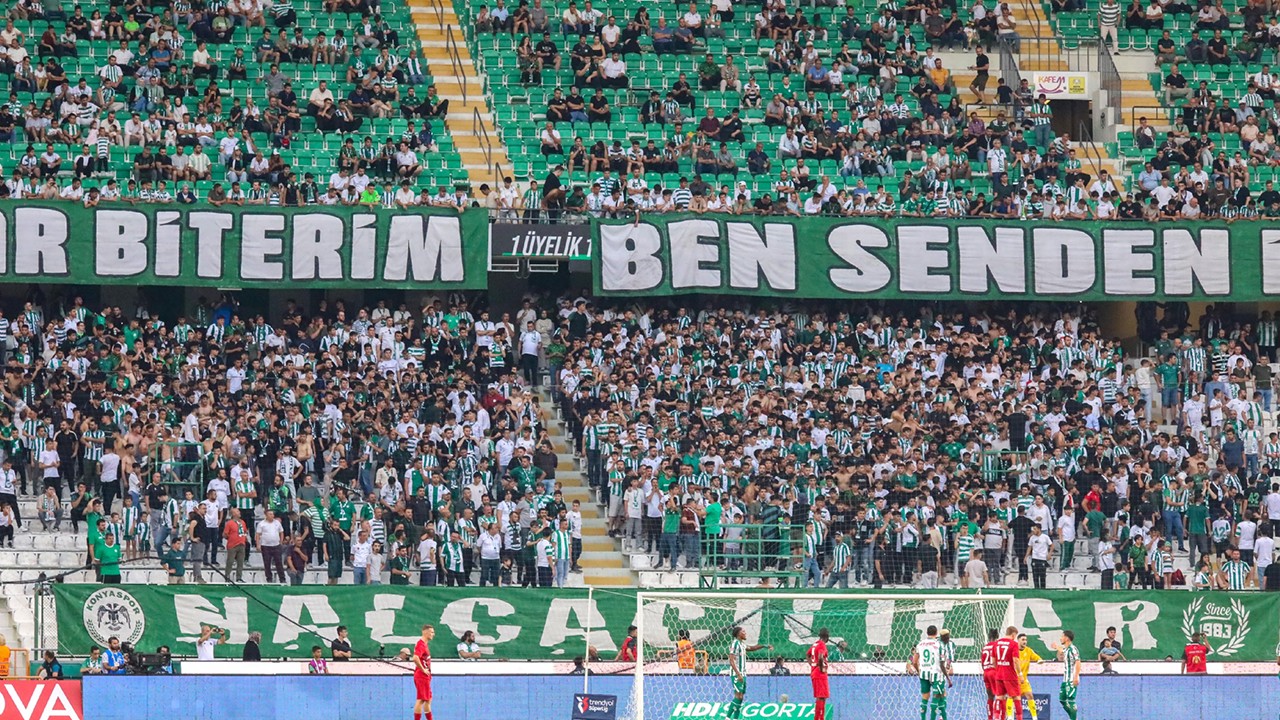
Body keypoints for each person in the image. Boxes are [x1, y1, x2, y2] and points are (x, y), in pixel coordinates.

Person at [724, 625, 772, 719]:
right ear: (738, 634)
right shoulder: (735, 644)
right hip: (737, 674)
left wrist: (764, 646)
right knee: (738, 695)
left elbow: (752, 648)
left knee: (741, 697)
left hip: (743, 673)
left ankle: (735, 718)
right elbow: (731, 660)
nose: (745, 633)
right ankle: (727, 717)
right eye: (743, 631)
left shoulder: (742, 644)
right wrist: (738, 674)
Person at [909, 625, 948, 720]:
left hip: (924, 674)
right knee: (939, 696)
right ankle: (940, 717)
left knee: (925, 698)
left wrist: (919, 671)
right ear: (936, 633)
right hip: (936, 674)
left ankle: (923, 718)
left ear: (927, 633)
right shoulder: (939, 644)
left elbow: (914, 661)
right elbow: (943, 662)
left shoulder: (920, 644)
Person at [992, 627, 1022, 720]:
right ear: (1013, 634)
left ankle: (996, 717)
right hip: (1010, 675)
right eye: (1015, 636)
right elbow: (1016, 660)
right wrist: (1020, 674)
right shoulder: (1014, 644)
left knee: (999, 697)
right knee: (1016, 698)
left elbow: (993, 661)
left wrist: (999, 669)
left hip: (999, 675)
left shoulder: (996, 643)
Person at [1011, 633, 1041, 720]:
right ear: (1018, 640)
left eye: (1026, 640)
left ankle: (1034, 717)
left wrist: (1039, 660)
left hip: (1023, 680)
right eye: (1023, 640)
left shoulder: (1028, 651)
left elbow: (1037, 657)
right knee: (1011, 698)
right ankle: (1009, 717)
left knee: (1030, 695)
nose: (1025, 642)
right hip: (1013, 679)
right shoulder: (1013, 650)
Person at [1054, 630, 1081, 720]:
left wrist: (1076, 677)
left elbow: (1078, 662)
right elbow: (1063, 650)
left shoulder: (1073, 649)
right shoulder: (1067, 649)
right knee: (1062, 699)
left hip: (1071, 679)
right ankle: (1073, 718)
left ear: (1067, 638)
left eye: (1062, 636)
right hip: (1065, 679)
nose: (1060, 638)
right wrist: (1056, 647)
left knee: (1070, 700)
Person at [414, 624, 436, 720]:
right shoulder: (421, 644)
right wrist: (423, 669)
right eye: (431, 632)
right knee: (421, 699)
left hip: (425, 676)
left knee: (428, 699)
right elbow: (415, 658)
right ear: (425, 632)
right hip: (422, 676)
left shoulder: (424, 645)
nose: (433, 634)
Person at [808, 628, 831, 720]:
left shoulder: (815, 644)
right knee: (822, 697)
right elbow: (821, 656)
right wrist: (821, 668)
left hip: (814, 672)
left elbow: (808, 655)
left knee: (819, 697)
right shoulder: (822, 645)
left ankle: (817, 717)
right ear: (827, 637)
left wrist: (812, 665)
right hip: (820, 674)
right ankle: (820, 718)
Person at [980, 628, 1001, 720]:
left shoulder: (984, 647)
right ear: (997, 636)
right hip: (994, 672)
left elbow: (982, 662)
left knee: (990, 696)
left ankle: (990, 718)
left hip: (986, 673)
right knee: (1000, 695)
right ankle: (998, 717)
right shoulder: (997, 646)